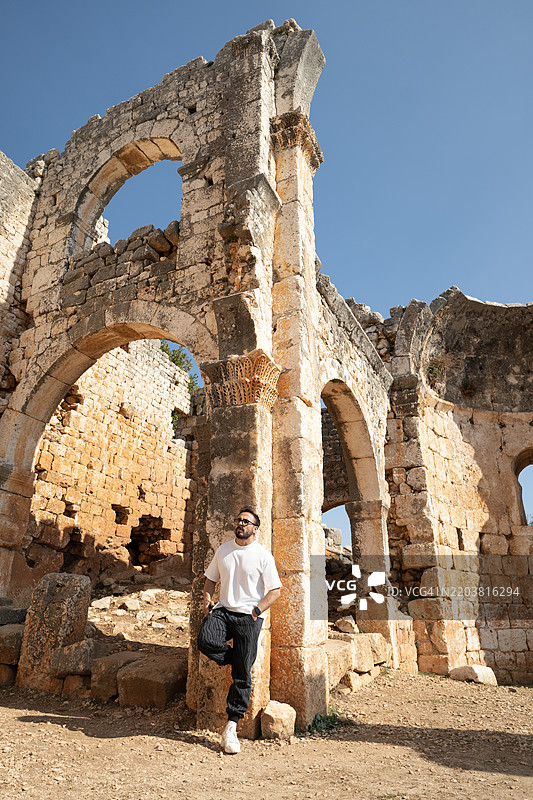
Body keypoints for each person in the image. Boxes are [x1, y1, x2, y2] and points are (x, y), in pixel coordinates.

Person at [197, 507, 282, 754]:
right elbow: (211, 578)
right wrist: (207, 598)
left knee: (242, 675)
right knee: (206, 640)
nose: (240, 523)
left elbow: (275, 590)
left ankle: (231, 727)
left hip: (249, 616)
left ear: (255, 528)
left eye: (246, 521)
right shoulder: (224, 550)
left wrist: (257, 611)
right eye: (238, 520)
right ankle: (239, 660)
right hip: (223, 611)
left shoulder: (263, 556)